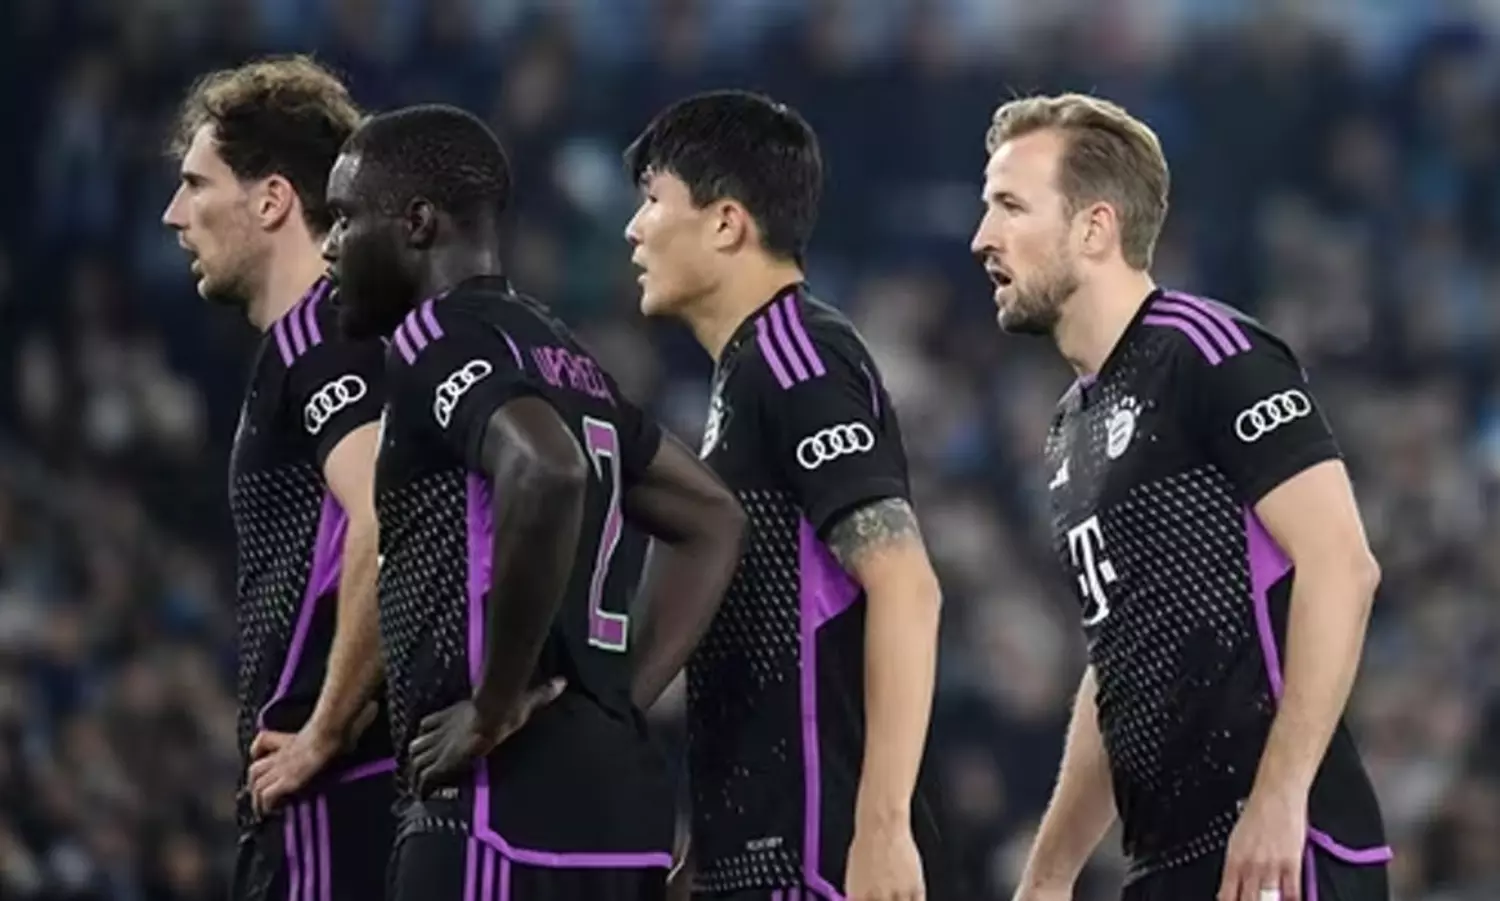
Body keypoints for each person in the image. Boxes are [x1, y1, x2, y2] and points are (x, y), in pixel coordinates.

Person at [969, 92, 1392, 901]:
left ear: (1095, 228)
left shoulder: (1209, 352)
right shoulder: (1068, 429)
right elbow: (1119, 661)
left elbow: (1342, 566)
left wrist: (1280, 797)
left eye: (1010, 206)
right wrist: (1049, 875)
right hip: (1166, 862)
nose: (982, 236)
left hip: (1276, 849)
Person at [324, 103, 746, 901]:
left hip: (495, 813)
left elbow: (547, 468)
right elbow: (712, 518)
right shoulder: (562, 351)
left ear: (417, 223)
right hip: (620, 824)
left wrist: (490, 706)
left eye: (345, 217)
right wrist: (609, 697)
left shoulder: (435, 336)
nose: (329, 245)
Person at [623, 90, 953, 901]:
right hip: (757, 848)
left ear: (726, 223)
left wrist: (882, 828)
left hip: (815, 855)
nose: (634, 228)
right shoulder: (749, 371)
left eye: (653, 200)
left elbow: (907, 585)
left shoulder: (795, 355)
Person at [161, 56, 395, 901]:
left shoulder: (320, 335)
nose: (174, 213)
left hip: (333, 788)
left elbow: (382, 513)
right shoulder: (345, 333)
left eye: (196, 184)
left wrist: (322, 729)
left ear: (272, 201)